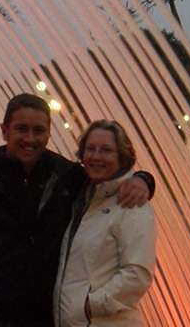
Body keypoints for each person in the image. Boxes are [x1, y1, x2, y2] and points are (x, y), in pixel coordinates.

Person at [0, 93, 154, 327]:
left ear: (49, 133)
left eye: (38, 130)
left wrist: (143, 180)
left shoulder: (68, 178)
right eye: (22, 129)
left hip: (46, 318)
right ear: (5, 130)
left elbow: (106, 179)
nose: (30, 138)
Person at [54, 120, 156, 327]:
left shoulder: (132, 204)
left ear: (122, 157)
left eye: (106, 150)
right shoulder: (82, 199)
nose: (96, 156)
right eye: (90, 149)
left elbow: (137, 275)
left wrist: (88, 306)